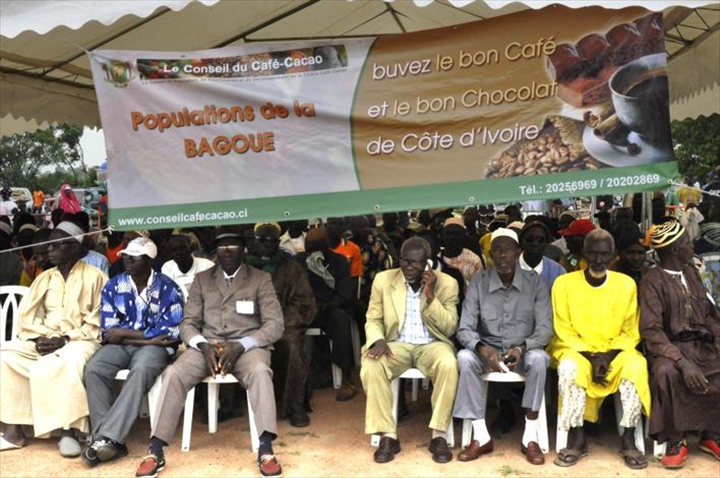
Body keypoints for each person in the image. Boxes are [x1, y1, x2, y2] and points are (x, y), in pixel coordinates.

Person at [134, 227, 284, 478]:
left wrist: (242, 345)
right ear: (215, 252)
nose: (227, 252)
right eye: (222, 247)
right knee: (174, 373)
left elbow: (275, 324)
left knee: (260, 372)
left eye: (233, 246)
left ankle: (266, 448)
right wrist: (202, 345)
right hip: (208, 346)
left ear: (243, 250)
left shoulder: (259, 279)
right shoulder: (203, 280)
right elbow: (188, 323)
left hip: (246, 346)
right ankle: (155, 449)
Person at [0, 221, 106, 456]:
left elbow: (100, 319)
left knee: (64, 363)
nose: (48, 250)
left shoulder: (96, 277)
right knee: (6, 357)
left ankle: (68, 431)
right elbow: (27, 315)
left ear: (74, 248)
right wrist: (38, 337)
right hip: (45, 339)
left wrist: (66, 339)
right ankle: (14, 430)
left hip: (81, 340)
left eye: (55, 245)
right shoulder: (45, 278)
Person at [548, 229, 650, 469]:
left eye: (604, 254)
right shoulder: (564, 284)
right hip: (576, 350)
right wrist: (591, 357)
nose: (598, 260)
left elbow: (630, 331)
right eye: (592, 253)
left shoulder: (626, 285)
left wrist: (607, 355)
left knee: (636, 365)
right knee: (570, 368)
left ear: (613, 255)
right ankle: (577, 436)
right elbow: (563, 329)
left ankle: (628, 437)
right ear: (584, 253)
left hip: (614, 352)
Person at [81, 237, 184, 467]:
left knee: (141, 369)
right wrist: (148, 338)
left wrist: (127, 335)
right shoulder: (114, 285)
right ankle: (109, 441)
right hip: (129, 346)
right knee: (95, 369)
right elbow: (109, 332)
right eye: (125, 255)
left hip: (152, 349)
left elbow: (171, 333)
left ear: (149, 260)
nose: (127, 259)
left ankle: (106, 439)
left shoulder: (168, 287)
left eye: (134, 256)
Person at [453, 228, 552, 465]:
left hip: (523, 352)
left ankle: (530, 437)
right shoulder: (479, 282)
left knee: (540, 359)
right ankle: (481, 436)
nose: (503, 256)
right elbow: (464, 328)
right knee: (465, 358)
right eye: (496, 251)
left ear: (518, 252)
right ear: (490, 255)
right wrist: (482, 349)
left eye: (508, 250)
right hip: (489, 352)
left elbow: (545, 329)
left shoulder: (535, 284)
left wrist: (522, 348)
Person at [361, 237, 459, 464]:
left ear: (428, 263)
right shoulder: (384, 280)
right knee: (372, 363)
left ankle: (438, 435)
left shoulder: (447, 283)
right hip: (397, 344)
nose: (408, 267)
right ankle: (388, 435)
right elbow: (373, 318)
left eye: (415, 262)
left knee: (448, 364)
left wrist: (430, 294)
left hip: (433, 344)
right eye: (404, 261)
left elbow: (450, 327)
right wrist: (378, 340)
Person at [639, 220, 720, 469]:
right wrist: (682, 362)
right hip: (668, 348)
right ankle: (675, 439)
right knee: (666, 373)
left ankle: (711, 434)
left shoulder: (691, 272)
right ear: (674, 250)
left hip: (700, 344)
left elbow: (708, 313)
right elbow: (651, 330)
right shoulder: (652, 280)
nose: (692, 244)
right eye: (686, 241)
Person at [245, 222, 316, 427]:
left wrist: (276, 322)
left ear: (278, 242)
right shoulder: (244, 268)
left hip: (282, 325)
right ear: (255, 242)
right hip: (247, 324)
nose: (267, 245)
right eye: (262, 240)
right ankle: (226, 405)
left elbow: (304, 302)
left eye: (271, 240)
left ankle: (295, 406)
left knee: (293, 346)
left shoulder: (291, 267)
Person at [300, 226, 357, 401]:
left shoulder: (339, 261)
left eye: (316, 247)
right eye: (309, 247)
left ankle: (346, 378)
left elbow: (345, 295)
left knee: (340, 318)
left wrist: (324, 306)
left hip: (329, 309)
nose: (312, 252)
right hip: (305, 311)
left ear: (326, 246)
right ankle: (301, 379)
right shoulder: (299, 261)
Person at [518, 219, 566, 291]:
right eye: (529, 239)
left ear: (547, 243)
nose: (535, 244)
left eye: (540, 240)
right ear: (521, 241)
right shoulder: (508, 269)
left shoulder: (558, 272)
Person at [438, 216, 483, 290]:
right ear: (442, 235)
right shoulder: (436, 257)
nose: (452, 237)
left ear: (464, 236)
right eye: (449, 233)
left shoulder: (474, 260)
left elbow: (480, 288)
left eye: (457, 234)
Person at [610, 220, 648, 286]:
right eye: (630, 253)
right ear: (618, 252)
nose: (636, 258)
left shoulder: (650, 276)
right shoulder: (610, 277)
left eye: (640, 253)